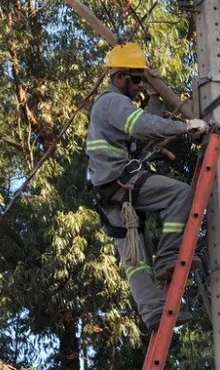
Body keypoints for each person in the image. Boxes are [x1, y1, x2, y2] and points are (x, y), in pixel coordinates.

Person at [86, 42, 209, 330]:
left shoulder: (114, 106)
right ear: (120, 77)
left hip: (109, 192)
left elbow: (143, 129)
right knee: (180, 194)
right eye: (137, 79)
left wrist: (156, 98)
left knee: (136, 259)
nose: (139, 86)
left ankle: (153, 313)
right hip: (119, 181)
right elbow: (142, 125)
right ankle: (168, 256)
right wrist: (186, 127)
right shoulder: (112, 101)